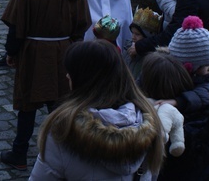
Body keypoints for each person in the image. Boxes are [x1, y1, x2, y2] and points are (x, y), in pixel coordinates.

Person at [0, 0, 91, 170]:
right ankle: (67, 155)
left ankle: (19, 153)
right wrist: (73, 46)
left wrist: (11, 53)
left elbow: (16, 26)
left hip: (34, 54)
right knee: (60, 105)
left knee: (28, 105)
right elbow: (82, 21)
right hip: (63, 52)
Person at [29, 40, 163, 179]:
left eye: (72, 72)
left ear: (84, 80)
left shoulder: (65, 129)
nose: (67, 76)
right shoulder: (151, 120)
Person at [151, 17, 209, 180]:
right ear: (188, 68)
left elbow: (204, 93)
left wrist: (178, 101)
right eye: (205, 66)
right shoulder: (161, 76)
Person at [124, 7, 162, 79]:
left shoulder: (151, 60)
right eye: (132, 33)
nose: (133, 37)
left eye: (137, 34)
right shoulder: (127, 49)